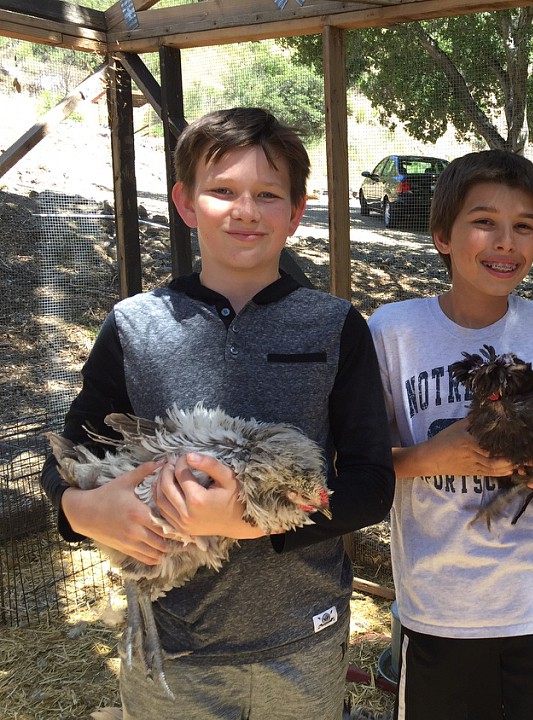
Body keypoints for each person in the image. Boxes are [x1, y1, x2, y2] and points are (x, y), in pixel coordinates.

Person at [40, 107, 396, 720]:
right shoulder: (135, 327)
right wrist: (83, 509)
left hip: (302, 640)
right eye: (222, 191)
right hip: (170, 650)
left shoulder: (336, 326)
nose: (245, 210)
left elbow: (370, 485)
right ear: (185, 202)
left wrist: (252, 522)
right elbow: (71, 455)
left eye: (267, 194)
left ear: (296, 210)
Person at [367, 150, 533, 720]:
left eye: (523, 227)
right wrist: (428, 456)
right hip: (438, 601)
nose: (505, 242)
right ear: (443, 235)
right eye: (484, 221)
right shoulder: (393, 330)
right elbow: (361, 459)